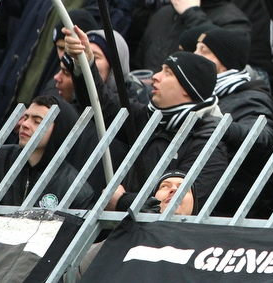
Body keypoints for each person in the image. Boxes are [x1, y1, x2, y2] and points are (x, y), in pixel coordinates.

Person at [68, 35, 230, 213]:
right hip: (126, 233)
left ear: (187, 88)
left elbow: (181, 207)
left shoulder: (208, 145)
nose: (156, 77)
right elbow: (100, 104)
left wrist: (122, 201)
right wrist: (84, 62)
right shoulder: (148, 118)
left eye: (168, 72)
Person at [192, 25, 273, 216]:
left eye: (204, 51)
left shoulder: (251, 97)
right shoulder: (202, 96)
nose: (195, 55)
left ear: (225, 63)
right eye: (196, 48)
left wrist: (225, 128)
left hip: (234, 210)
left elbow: (264, 137)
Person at [0, 96, 95, 209]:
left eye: (37, 121)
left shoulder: (74, 190)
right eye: (26, 118)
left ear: (58, 131)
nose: (24, 124)